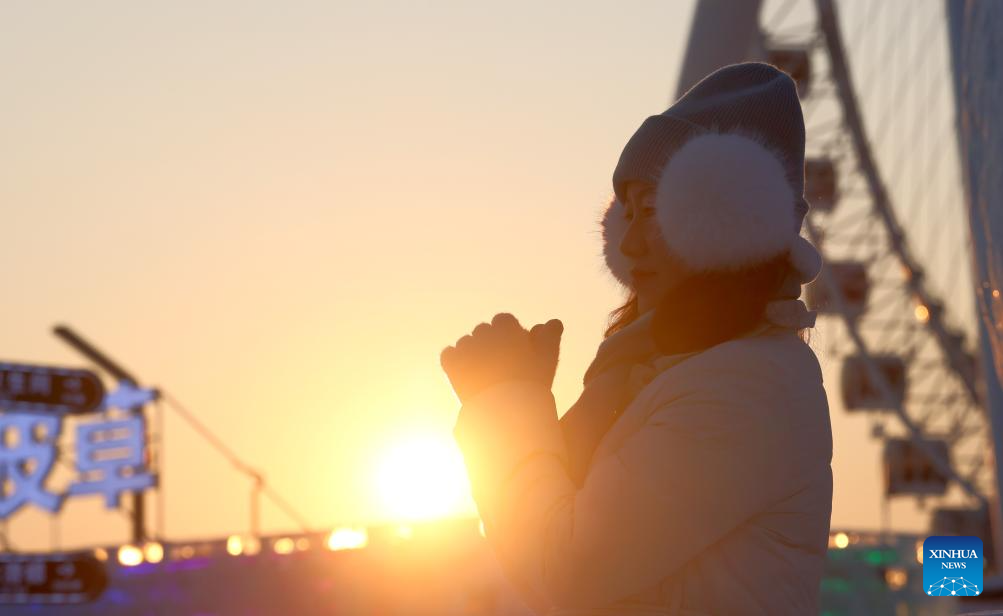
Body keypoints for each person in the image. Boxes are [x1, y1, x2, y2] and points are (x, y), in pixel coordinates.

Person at [440, 62, 833, 616]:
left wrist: (503, 403)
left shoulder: (749, 385)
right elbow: (546, 539)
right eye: (626, 212)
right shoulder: (652, 369)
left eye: (654, 210)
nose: (630, 243)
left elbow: (567, 568)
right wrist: (525, 401)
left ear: (726, 222)